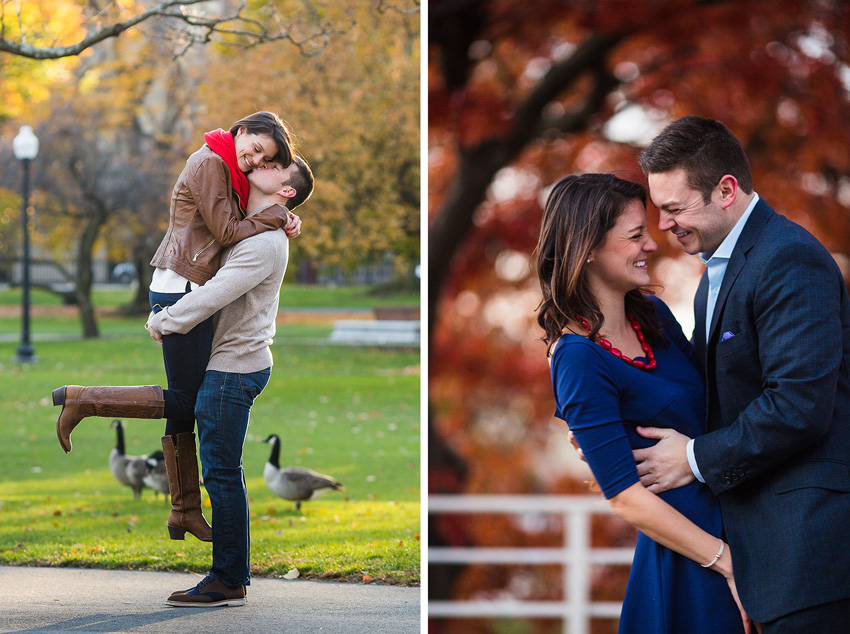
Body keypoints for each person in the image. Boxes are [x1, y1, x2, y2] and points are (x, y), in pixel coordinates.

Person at [632, 115, 850, 632]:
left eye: (675, 208)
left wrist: (690, 457)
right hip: (764, 556)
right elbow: (712, 397)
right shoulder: (715, 276)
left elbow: (798, 406)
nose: (664, 225)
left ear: (726, 190)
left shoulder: (789, 258)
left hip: (809, 557)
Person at [53, 112, 302, 544]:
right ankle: (83, 401)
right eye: (256, 148)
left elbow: (236, 224)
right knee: (186, 398)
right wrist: (278, 216)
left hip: (188, 287)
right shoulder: (210, 163)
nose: (255, 159)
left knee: (185, 403)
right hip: (181, 290)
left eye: (265, 158)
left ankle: (183, 508)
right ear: (241, 130)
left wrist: (283, 215)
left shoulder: (227, 168)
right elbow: (226, 230)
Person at [536, 173, 747, 634]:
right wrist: (728, 563)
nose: (652, 244)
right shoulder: (577, 358)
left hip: (742, 522)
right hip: (694, 556)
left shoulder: (654, 317)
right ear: (587, 247)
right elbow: (625, 498)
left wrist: (694, 455)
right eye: (635, 235)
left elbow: (717, 405)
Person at [145, 153, 314, 607]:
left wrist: (165, 321)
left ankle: (228, 579)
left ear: (286, 189)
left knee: (221, 473)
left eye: (277, 164)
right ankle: (227, 572)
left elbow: (216, 294)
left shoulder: (264, 244)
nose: (261, 162)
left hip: (235, 368)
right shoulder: (252, 225)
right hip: (229, 361)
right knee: (220, 469)